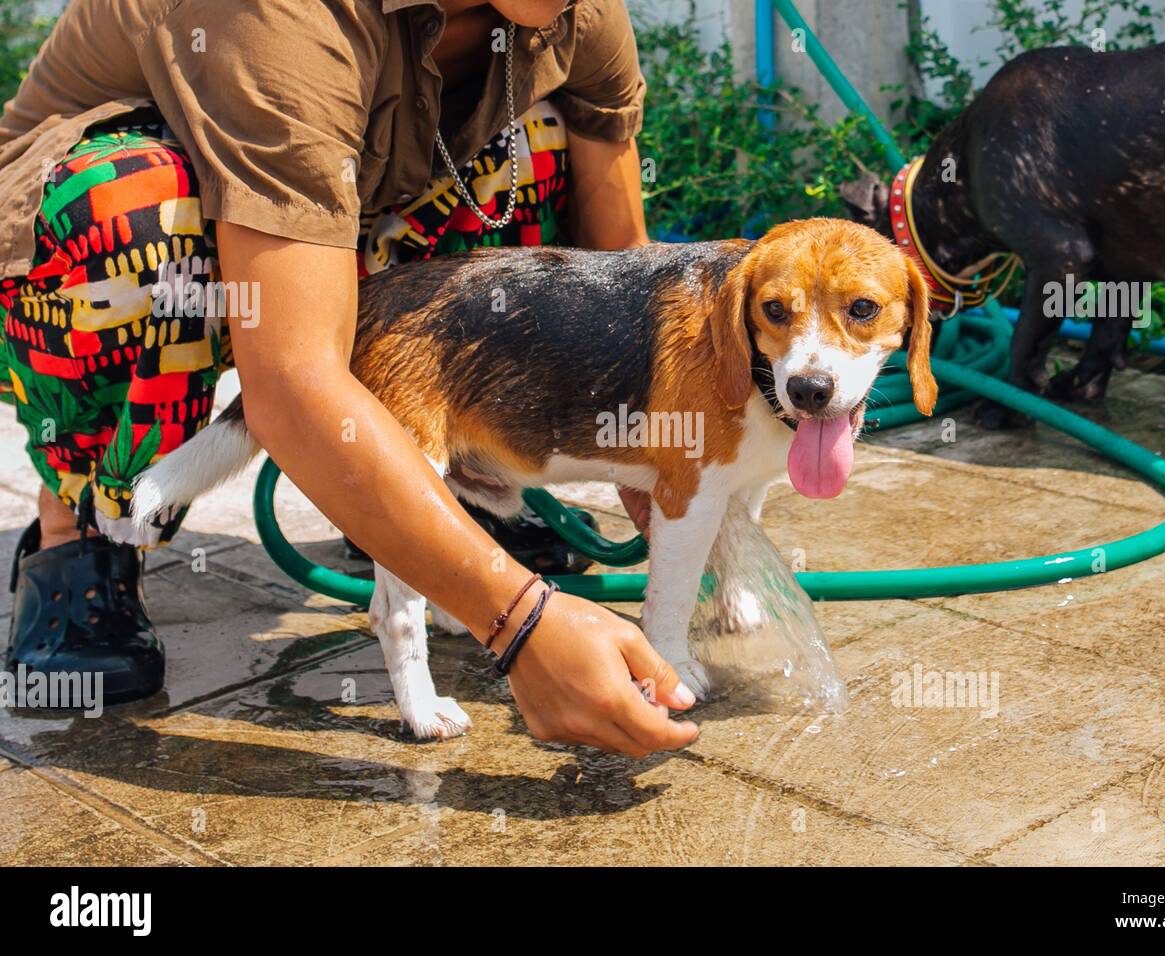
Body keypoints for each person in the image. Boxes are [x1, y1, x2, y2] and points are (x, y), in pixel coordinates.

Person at [0, 0, 698, 757]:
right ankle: (79, 531)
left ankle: (434, 487)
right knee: (131, 215)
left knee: (534, 143)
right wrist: (519, 621)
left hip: (347, 194)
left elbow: (619, 264)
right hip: (143, 221)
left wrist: (651, 441)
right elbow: (291, 386)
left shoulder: (571, 8)